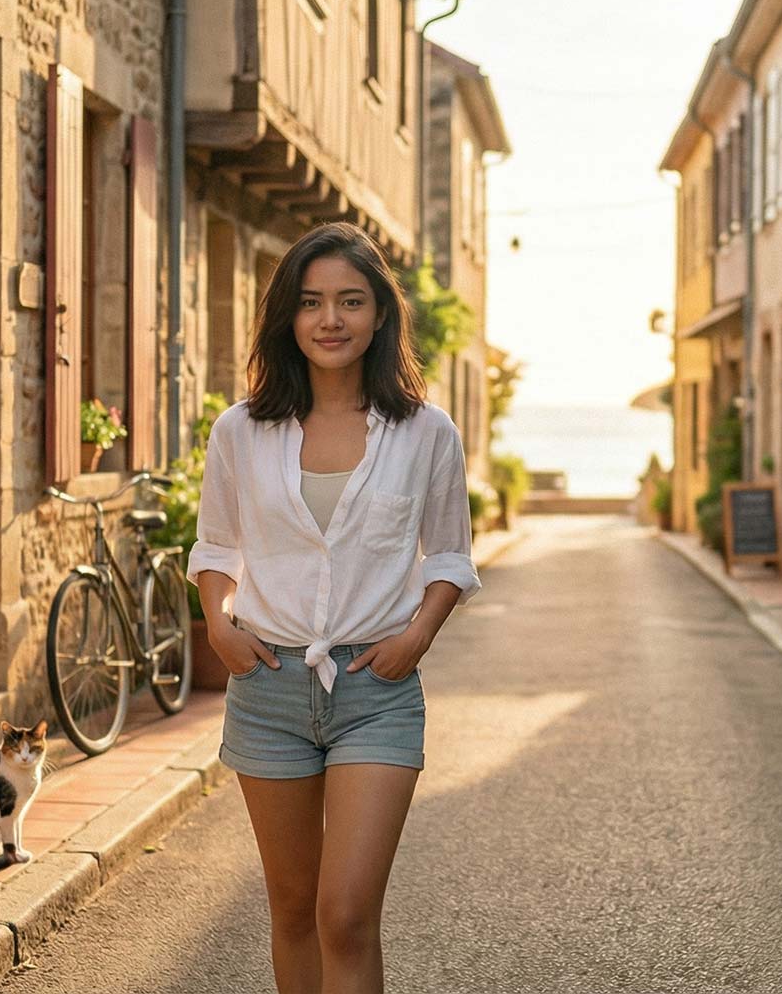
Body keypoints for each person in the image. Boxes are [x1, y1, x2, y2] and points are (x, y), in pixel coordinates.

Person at [188, 221, 480, 994]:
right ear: (289, 315)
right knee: (291, 908)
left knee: (345, 912)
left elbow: (449, 556)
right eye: (313, 302)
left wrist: (417, 635)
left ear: (380, 314)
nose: (331, 320)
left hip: (376, 691)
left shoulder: (426, 434)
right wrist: (219, 624)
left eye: (351, 301)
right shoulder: (241, 431)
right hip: (268, 688)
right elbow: (216, 549)